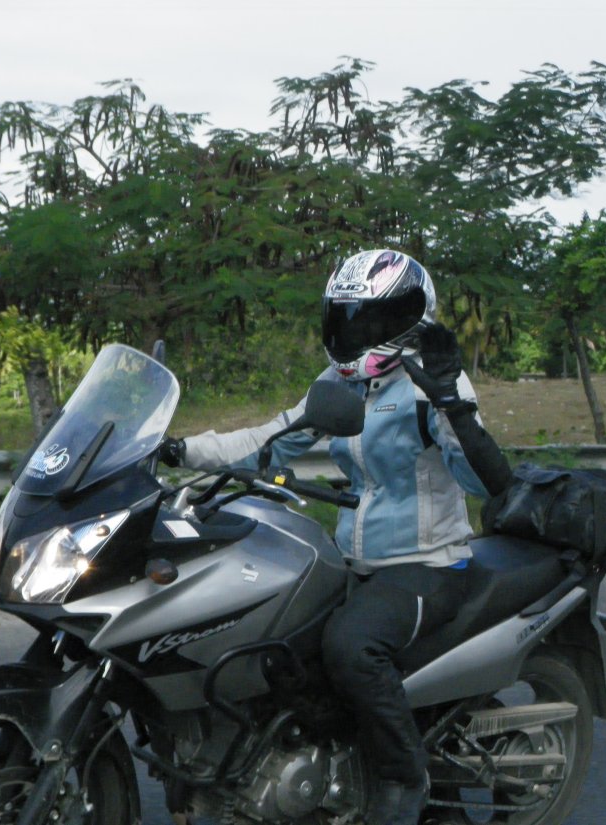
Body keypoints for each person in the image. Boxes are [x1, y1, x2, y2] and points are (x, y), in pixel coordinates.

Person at [159, 249, 512, 825]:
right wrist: (178, 448)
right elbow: (271, 438)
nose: (353, 332)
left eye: (369, 320)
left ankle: (404, 776)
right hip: (356, 561)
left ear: (406, 319)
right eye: (345, 318)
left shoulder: (430, 384)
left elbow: (487, 481)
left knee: (350, 646)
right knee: (275, 642)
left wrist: (455, 405)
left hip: (427, 565)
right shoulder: (338, 385)